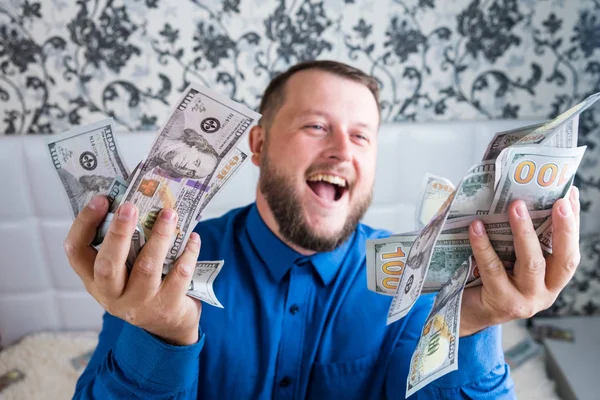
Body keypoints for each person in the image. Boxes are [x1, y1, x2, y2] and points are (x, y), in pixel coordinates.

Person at [65, 60, 581, 399]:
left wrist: (475, 325)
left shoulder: (420, 286)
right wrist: (163, 335)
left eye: (362, 135)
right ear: (260, 146)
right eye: (316, 126)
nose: (342, 150)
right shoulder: (164, 273)